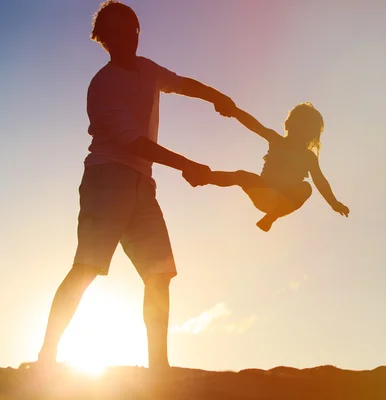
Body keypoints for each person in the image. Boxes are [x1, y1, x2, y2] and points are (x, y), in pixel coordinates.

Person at [25, 0, 235, 371]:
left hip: (143, 184)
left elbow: (182, 84)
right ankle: (46, 357)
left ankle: (159, 367)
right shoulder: (102, 86)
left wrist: (216, 96)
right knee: (86, 267)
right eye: (122, 31)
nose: (132, 37)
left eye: (135, 29)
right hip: (106, 180)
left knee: (160, 274)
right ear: (106, 39)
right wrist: (186, 165)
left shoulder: (148, 69)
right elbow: (133, 142)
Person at [199, 102, 350, 232]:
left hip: (284, 199)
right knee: (242, 175)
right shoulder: (276, 140)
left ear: (310, 136)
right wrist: (234, 111)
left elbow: (320, 182)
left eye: (305, 130)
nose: (299, 134)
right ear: (288, 125)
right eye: (297, 127)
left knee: (306, 188)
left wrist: (334, 203)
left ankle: (271, 217)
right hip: (262, 189)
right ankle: (205, 177)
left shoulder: (308, 157)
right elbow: (254, 125)